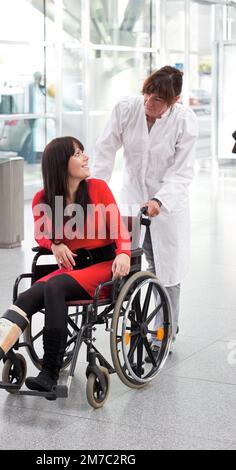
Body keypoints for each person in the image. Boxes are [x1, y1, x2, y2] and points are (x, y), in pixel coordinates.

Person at [0, 136, 131, 394]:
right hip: (71, 271)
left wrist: (124, 254)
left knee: (54, 285)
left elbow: (119, 228)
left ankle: (50, 372)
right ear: (60, 164)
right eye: (77, 153)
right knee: (26, 298)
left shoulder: (98, 188)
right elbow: (41, 233)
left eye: (83, 151)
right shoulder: (43, 198)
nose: (85, 157)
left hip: (103, 266)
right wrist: (54, 243)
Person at [92, 65, 198, 361]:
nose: (150, 104)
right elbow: (104, 150)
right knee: (130, 262)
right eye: (148, 96)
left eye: (158, 101)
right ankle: (137, 323)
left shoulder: (184, 121)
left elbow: (183, 171)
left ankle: (166, 332)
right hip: (131, 198)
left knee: (167, 269)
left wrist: (159, 200)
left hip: (167, 205)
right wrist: (95, 192)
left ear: (174, 100)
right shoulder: (126, 109)